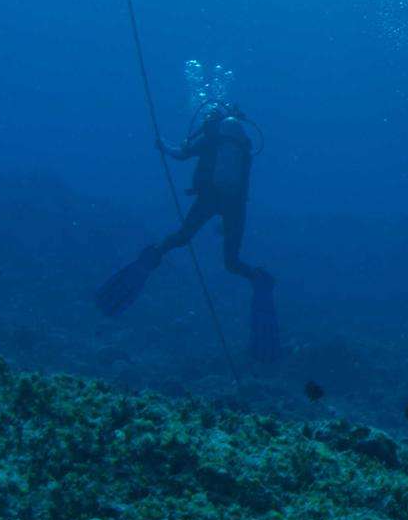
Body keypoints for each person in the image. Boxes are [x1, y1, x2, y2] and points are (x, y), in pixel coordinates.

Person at [92, 100, 280, 361]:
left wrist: (162, 144)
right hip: (235, 204)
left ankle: (154, 255)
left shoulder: (212, 135)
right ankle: (259, 278)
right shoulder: (242, 144)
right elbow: (243, 181)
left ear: (211, 120)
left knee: (182, 236)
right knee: (232, 262)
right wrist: (227, 220)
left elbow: (181, 153)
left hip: (209, 198)